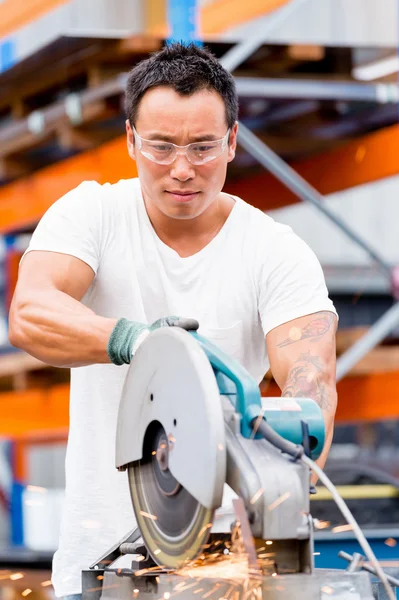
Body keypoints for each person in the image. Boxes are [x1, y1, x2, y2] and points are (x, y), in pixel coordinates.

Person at [9, 43, 337, 598]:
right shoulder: (92, 215)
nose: (182, 169)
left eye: (203, 147)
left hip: (225, 569)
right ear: (131, 140)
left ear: (232, 142)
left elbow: (313, 383)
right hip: (97, 563)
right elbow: (30, 313)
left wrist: (279, 486)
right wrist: (137, 341)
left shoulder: (274, 251)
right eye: (161, 147)